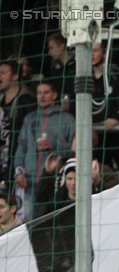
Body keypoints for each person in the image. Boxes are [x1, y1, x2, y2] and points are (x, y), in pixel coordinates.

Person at [13, 81, 75, 221]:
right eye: (39, 93)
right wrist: (19, 170)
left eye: (46, 93)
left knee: (52, 221)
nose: (42, 96)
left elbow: (74, 150)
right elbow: (21, 147)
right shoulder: (29, 119)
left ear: (54, 95)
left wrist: (53, 145)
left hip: (53, 183)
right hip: (29, 181)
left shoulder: (67, 119)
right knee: (29, 223)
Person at [0, 60, 35, 182]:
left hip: (16, 158)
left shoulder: (27, 100)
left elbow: (29, 134)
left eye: (3, 73)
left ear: (14, 76)